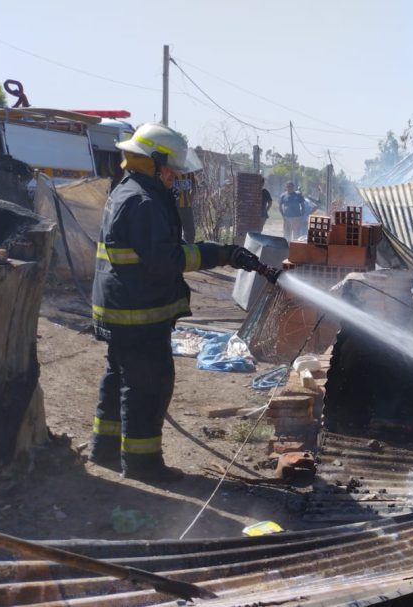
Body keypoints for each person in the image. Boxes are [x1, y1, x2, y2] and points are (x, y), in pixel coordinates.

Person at [89, 122, 267, 482]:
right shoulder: (142, 201)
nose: (175, 177)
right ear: (152, 162)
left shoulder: (129, 189)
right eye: (170, 169)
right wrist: (220, 254)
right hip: (138, 313)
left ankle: (104, 450)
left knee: (119, 377)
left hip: (121, 308)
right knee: (147, 385)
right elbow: (165, 259)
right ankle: (143, 465)